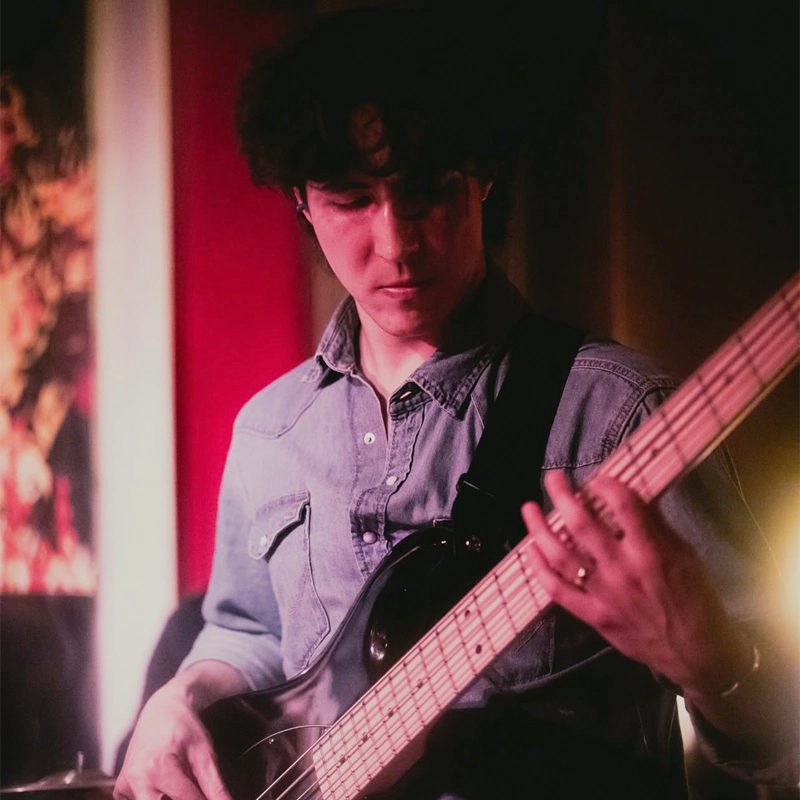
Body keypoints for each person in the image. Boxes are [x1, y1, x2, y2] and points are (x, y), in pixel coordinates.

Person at [114, 6, 799, 800]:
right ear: (302, 200)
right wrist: (182, 693)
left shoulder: (616, 413)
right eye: (349, 199)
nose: (397, 242)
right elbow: (251, 631)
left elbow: (781, 747)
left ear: (482, 176)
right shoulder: (270, 431)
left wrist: (712, 662)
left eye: (427, 190)